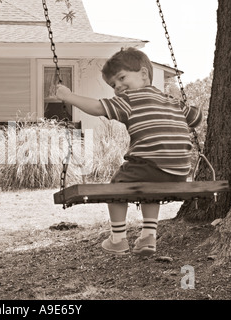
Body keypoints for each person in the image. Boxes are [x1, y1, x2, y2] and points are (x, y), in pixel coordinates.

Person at [56, 47, 202, 256]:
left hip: (150, 165)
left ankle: (118, 239)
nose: (118, 87)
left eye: (122, 78)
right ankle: (148, 237)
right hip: (179, 171)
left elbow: (97, 107)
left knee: (116, 186)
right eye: (113, 85)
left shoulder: (130, 100)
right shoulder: (173, 101)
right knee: (150, 191)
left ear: (144, 74)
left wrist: (69, 97)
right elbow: (196, 119)